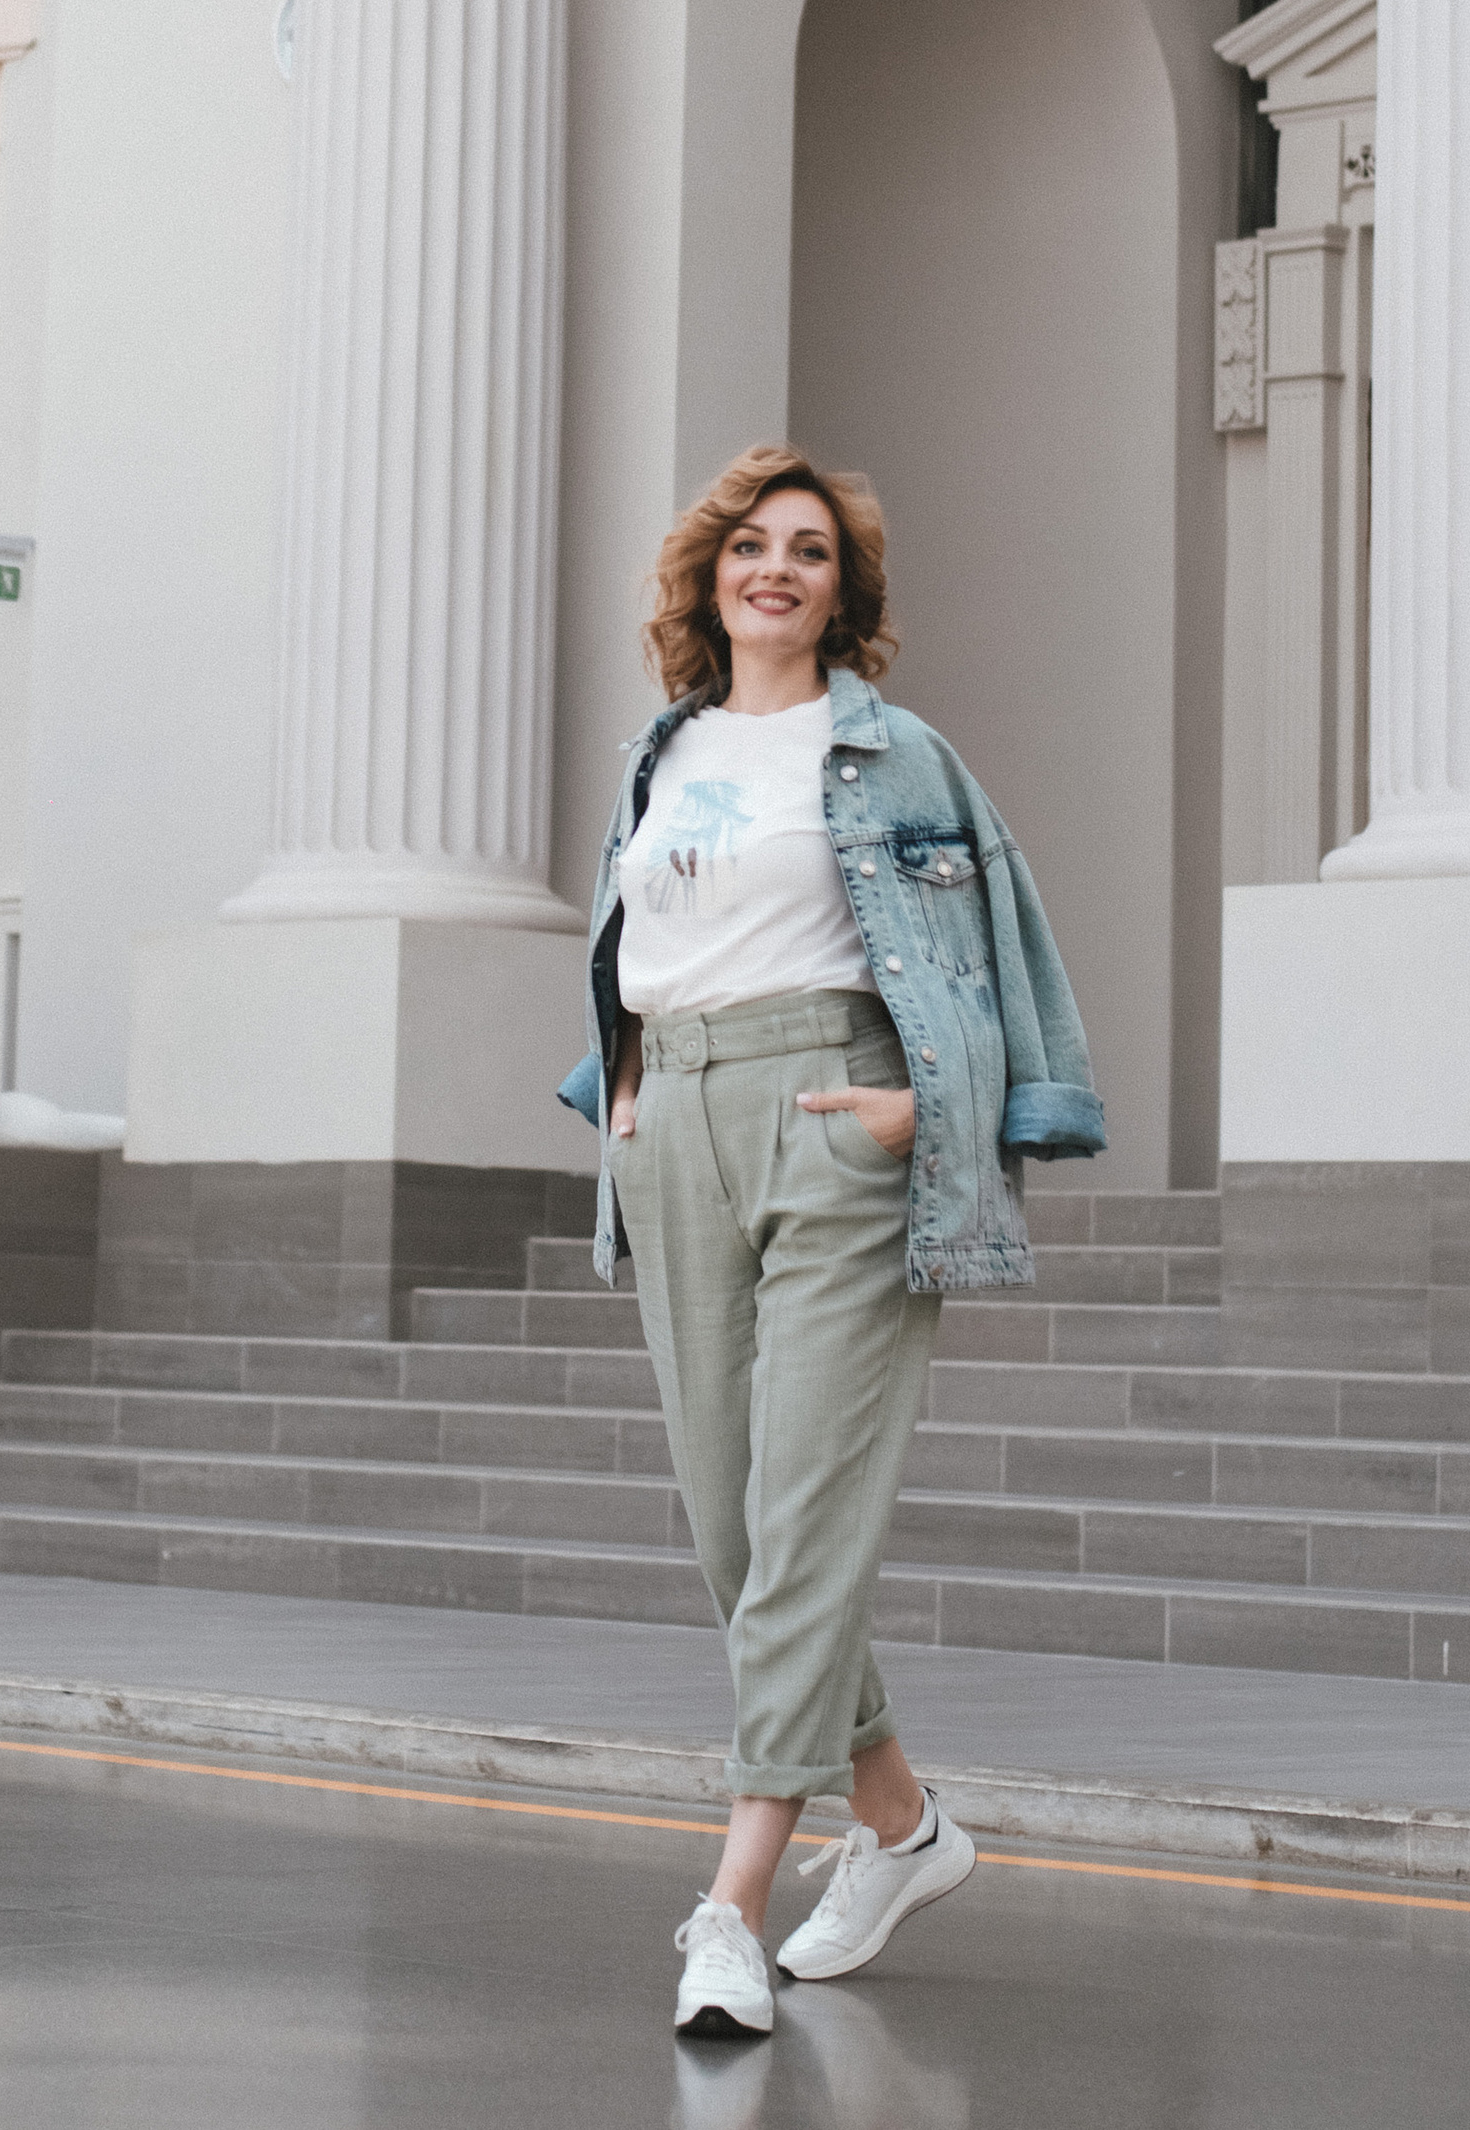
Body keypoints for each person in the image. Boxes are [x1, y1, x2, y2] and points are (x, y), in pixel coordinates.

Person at [557, 444, 1105, 2039]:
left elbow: (1009, 942)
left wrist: (928, 1110)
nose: (775, 567)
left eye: (808, 549)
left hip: (834, 1122)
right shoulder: (662, 753)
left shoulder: (896, 752)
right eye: (750, 543)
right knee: (738, 1532)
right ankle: (901, 1823)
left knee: (800, 1519)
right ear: (710, 576)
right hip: (676, 1133)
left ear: (841, 591)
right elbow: (646, 942)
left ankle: (730, 1903)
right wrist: (625, 1093)